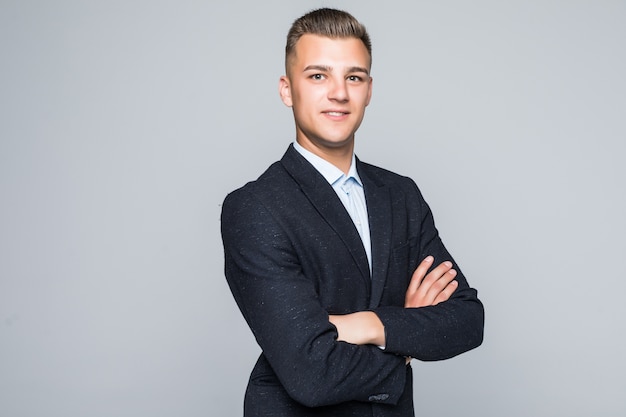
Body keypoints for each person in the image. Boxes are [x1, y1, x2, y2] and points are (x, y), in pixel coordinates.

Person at [221, 8, 484, 416]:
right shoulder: (255, 208)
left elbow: (467, 319)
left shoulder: (401, 195)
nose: (339, 93)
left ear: (369, 90)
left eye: (354, 77)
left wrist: (367, 324)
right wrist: (405, 336)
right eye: (318, 75)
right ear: (287, 89)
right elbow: (310, 372)